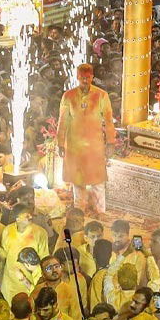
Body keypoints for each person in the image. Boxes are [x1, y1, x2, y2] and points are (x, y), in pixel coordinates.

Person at [56, 63, 117, 212]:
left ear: (92, 77)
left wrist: (110, 142)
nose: (85, 80)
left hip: (94, 146)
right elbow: (62, 121)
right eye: (82, 77)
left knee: (98, 181)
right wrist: (60, 143)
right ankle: (79, 212)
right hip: (74, 146)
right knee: (78, 181)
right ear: (77, 77)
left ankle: (100, 211)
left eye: (88, 77)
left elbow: (109, 120)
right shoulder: (68, 96)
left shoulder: (101, 95)